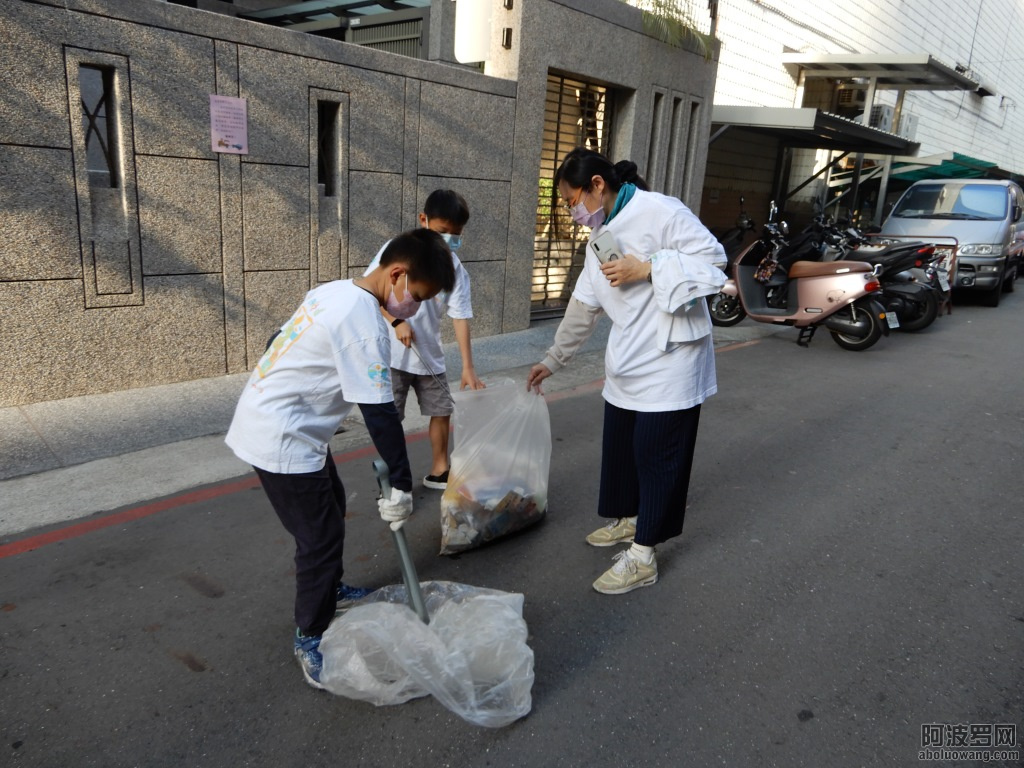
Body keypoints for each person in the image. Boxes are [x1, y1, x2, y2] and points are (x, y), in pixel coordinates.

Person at [225, 228, 456, 688]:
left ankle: (330, 589)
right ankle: (309, 632)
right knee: (319, 535)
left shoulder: (334, 291)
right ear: (397, 274)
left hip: (294, 426)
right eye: (418, 295)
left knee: (330, 503)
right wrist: (403, 489)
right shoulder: (364, 324)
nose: (415, 307)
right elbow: (380, 416)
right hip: (281, 436)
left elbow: (278, 336)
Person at [526, 148, 727, 595]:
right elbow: (583, 307)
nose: (571, 211)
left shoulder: (660, 211)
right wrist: (552, 360)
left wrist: (648, 266)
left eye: (572, 199)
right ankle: (630, 520)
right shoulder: (601, 235)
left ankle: (643, 556)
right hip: (627, 363)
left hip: (671, 362)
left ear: (598, 184)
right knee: (623, 451)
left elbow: (715, 262)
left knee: (657, 458)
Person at [364, 190, 485, 491]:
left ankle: (440, 470)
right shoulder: (397, 251)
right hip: (392, 354)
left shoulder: (455, 268)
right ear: (424, 220)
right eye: (443, 232)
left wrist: (468, 367)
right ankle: (392, 480)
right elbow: (368, 293)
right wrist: (396, 321)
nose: (450, 240)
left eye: (455, 235)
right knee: (390, 419)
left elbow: (460, 315)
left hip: (429, 353)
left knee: (441, 410)